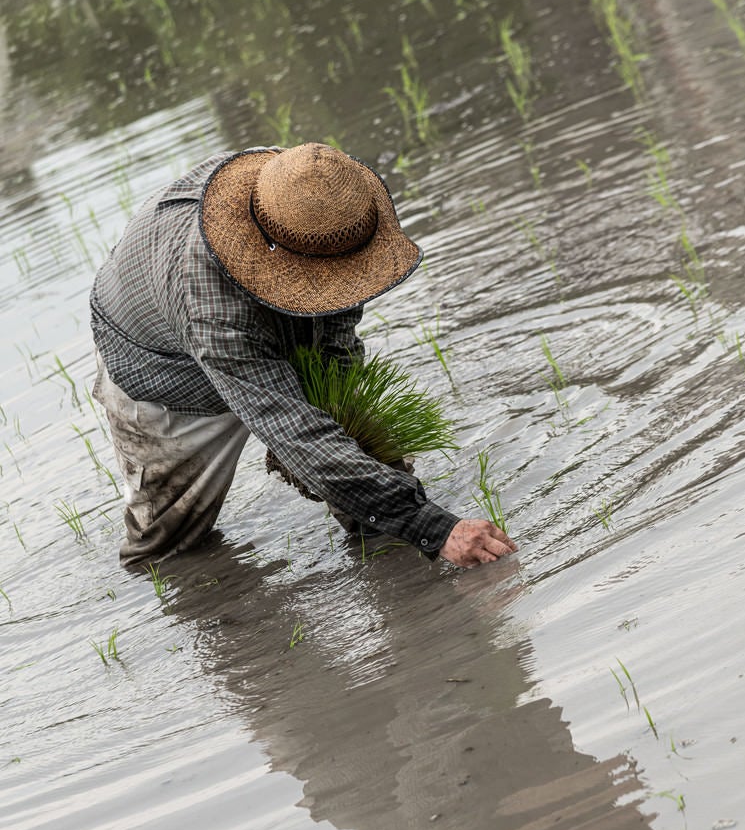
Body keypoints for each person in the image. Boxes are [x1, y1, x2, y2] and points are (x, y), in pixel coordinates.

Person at [89, 141, 518, 569]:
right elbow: (289, 425)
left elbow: (336, 341)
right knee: (167, 551)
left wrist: (354, 453)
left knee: (369, 480)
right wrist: (436, 528)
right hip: (167, 376)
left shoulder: (315, 197)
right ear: (277, 257)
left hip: (239, 326)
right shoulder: (212, 305)